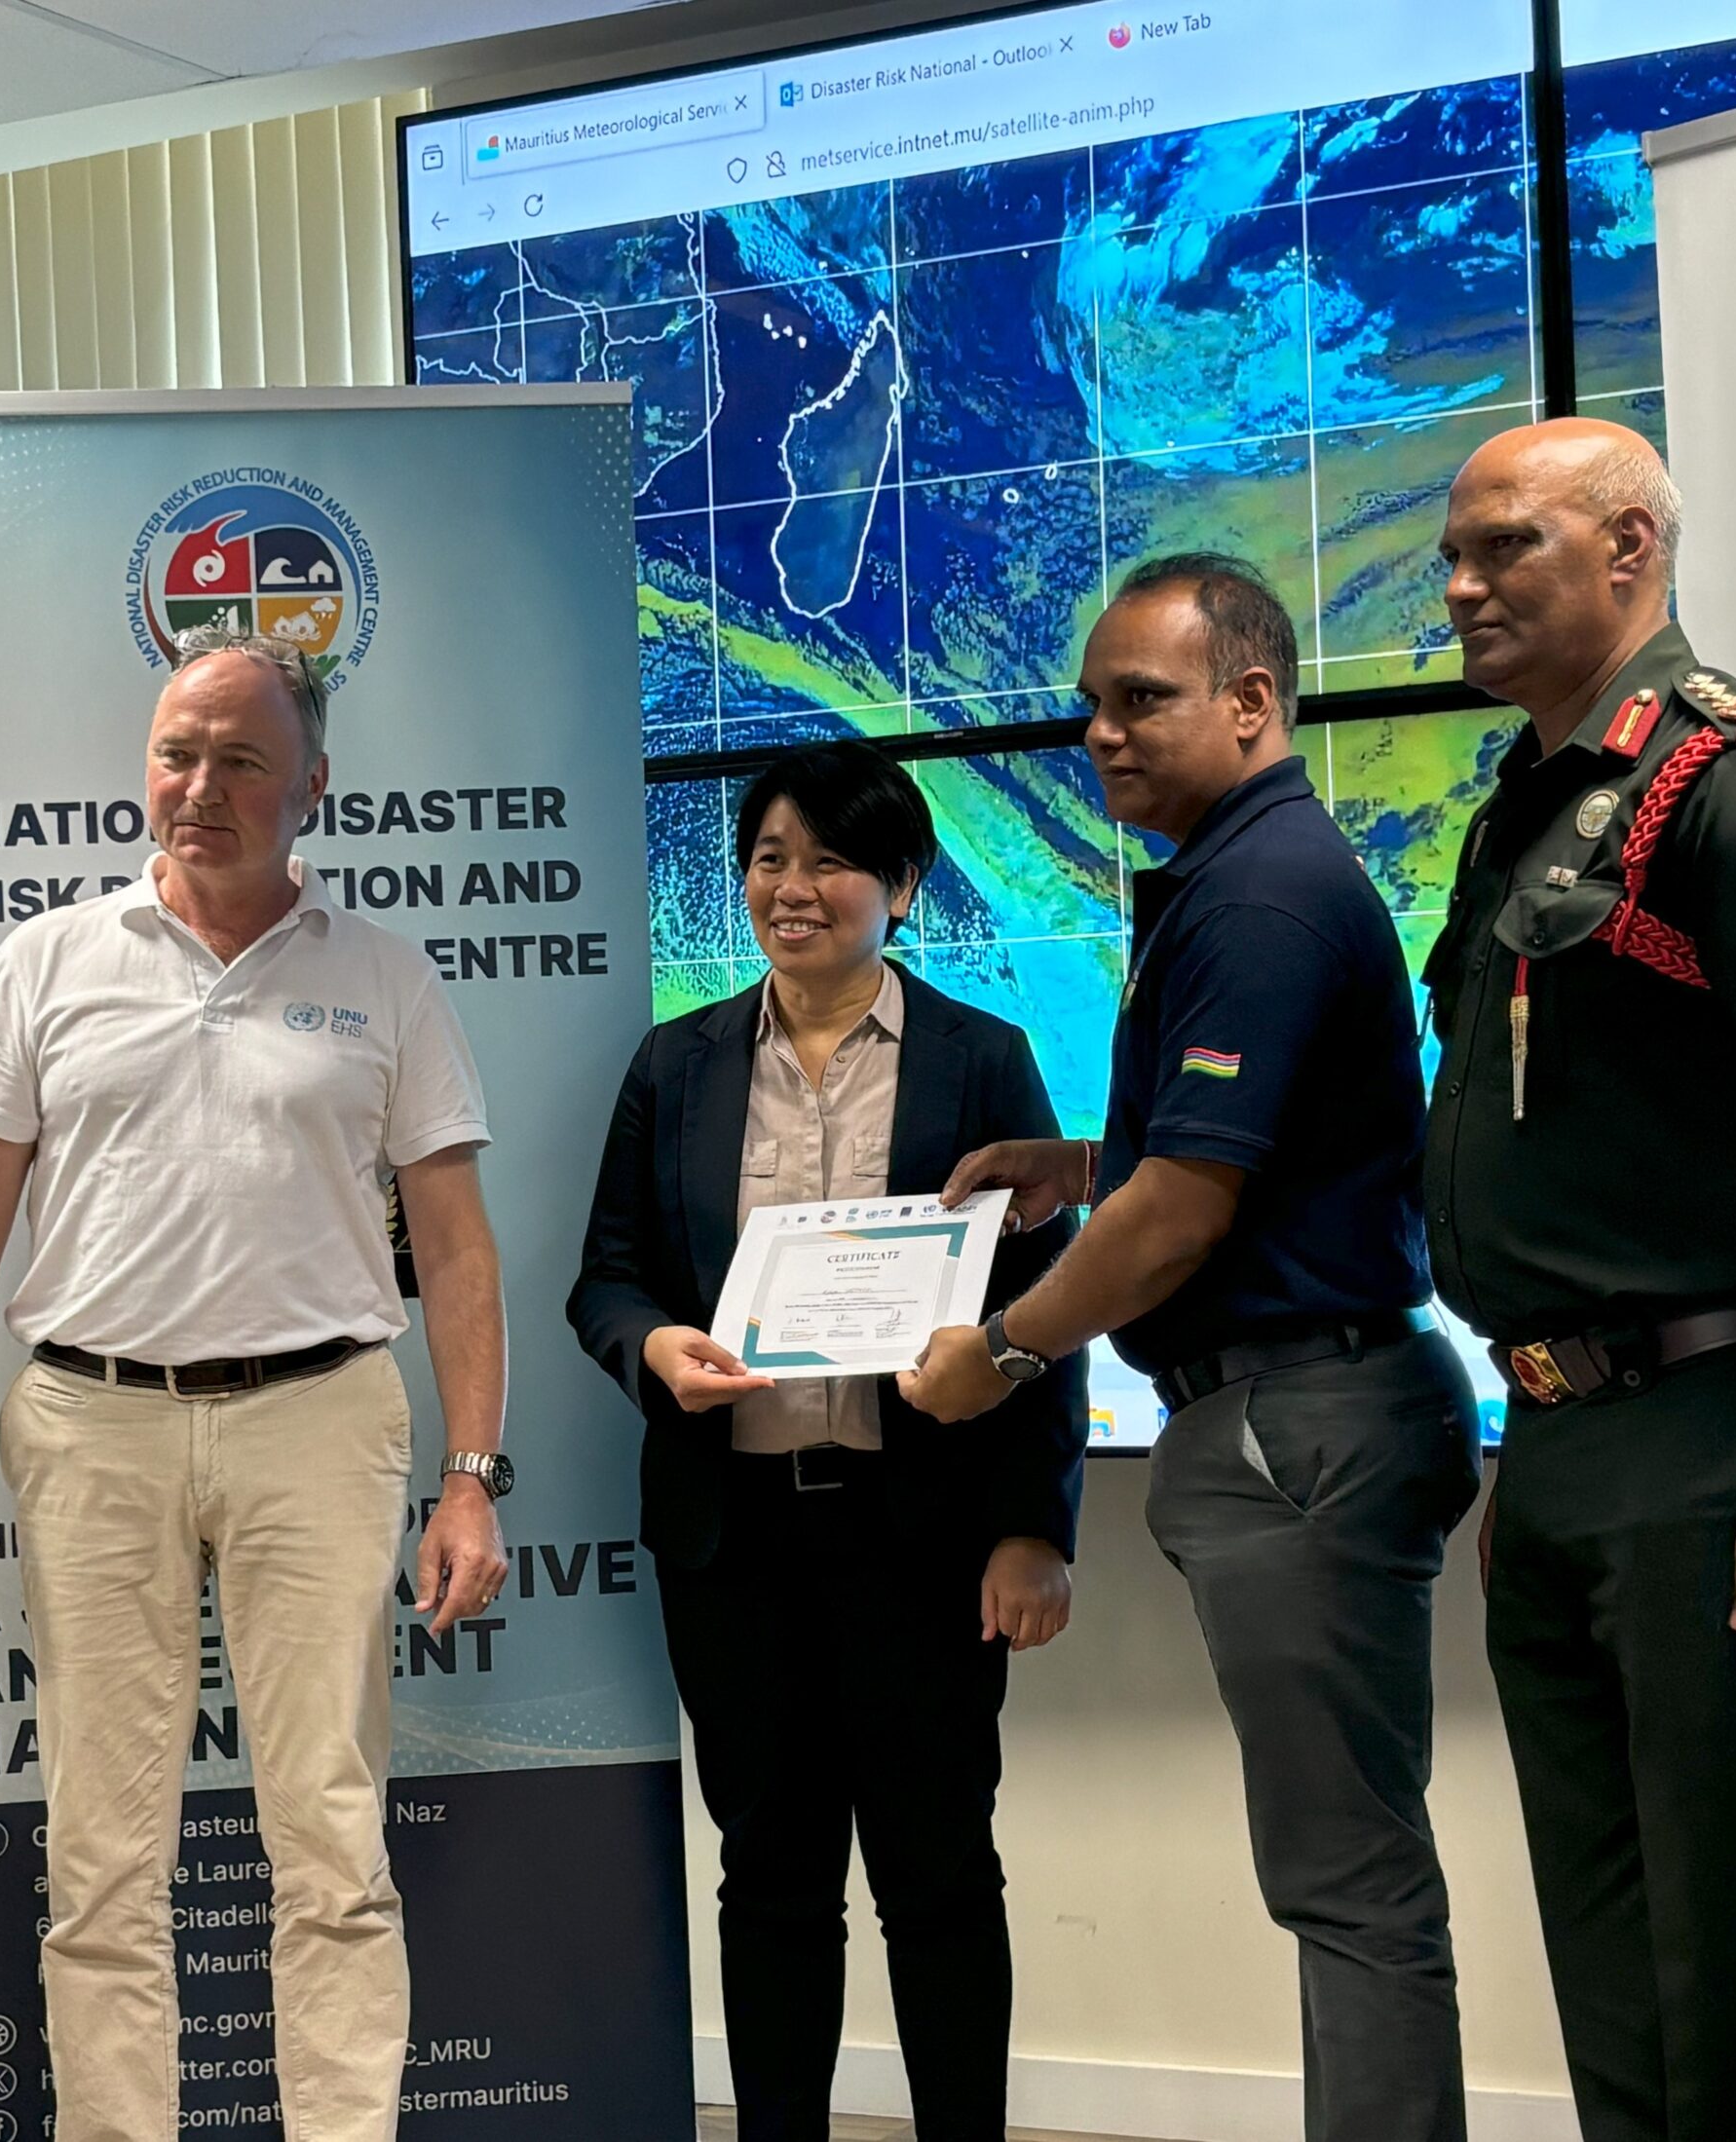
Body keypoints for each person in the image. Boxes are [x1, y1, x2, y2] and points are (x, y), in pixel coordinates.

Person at [0, 628, 511, 2142]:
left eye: (242, 760)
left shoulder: (384, 974)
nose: (200, 787)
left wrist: (472, 1479)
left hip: (321, 1419)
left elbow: (456, 1247)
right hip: (90, 1420)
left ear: (314, 785)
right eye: (178, 753)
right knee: (101, 1856)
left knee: (333, 1843)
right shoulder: (49, 961)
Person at [903, 555, 1481, 2142]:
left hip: (1301, 1419)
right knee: (1342, 1874)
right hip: (1303, 1411)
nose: (1102, 733)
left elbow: (1183, 1216)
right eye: (1091, 704)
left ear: (1251, 701)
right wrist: (1083, 1164)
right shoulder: (1243, 876)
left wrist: (1001, 1351)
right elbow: (1261, 1154)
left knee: (1347, 1883)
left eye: (1143, 699)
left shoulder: (1259, 895)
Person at [1424, 419, 1736, 2142]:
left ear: (1631, 546)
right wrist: (1538, 1438)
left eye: (1509, 545)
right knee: (1616, 1957)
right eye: (1454, 554)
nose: (1463, 585)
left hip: (1729, 1438)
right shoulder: (1526, 812)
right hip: (1570, 1440)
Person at [567, 739, 1085, 2142]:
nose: (792, 888)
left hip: (921, 1538)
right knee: (770, 1880)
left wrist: (1032, 1527)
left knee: (939, 1877)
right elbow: (607, 1278)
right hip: (734, 1543)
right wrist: (653, 1348)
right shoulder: (676, 1065)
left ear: (904, 885)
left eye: (832, 861)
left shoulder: (983, 1059)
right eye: (769, 859)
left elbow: (1049, 1305)